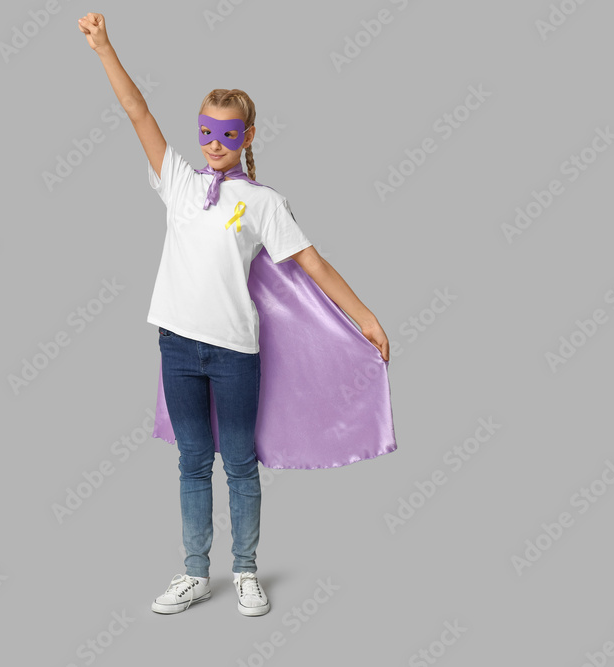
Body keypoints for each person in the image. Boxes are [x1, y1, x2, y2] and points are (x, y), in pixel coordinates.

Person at [78, 12, 390, 618]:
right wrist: (105, 48)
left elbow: (312, 263)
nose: (214, 144)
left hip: (233, 351)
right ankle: (195, 573)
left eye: (226, 134)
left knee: (241, 464)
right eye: (206, 132)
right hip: (177, 345)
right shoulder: (177, 182)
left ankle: (245, 571)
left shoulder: (263, 202)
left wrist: (366, 317)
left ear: (247, 136)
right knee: (193, 461)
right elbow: (138, 112)